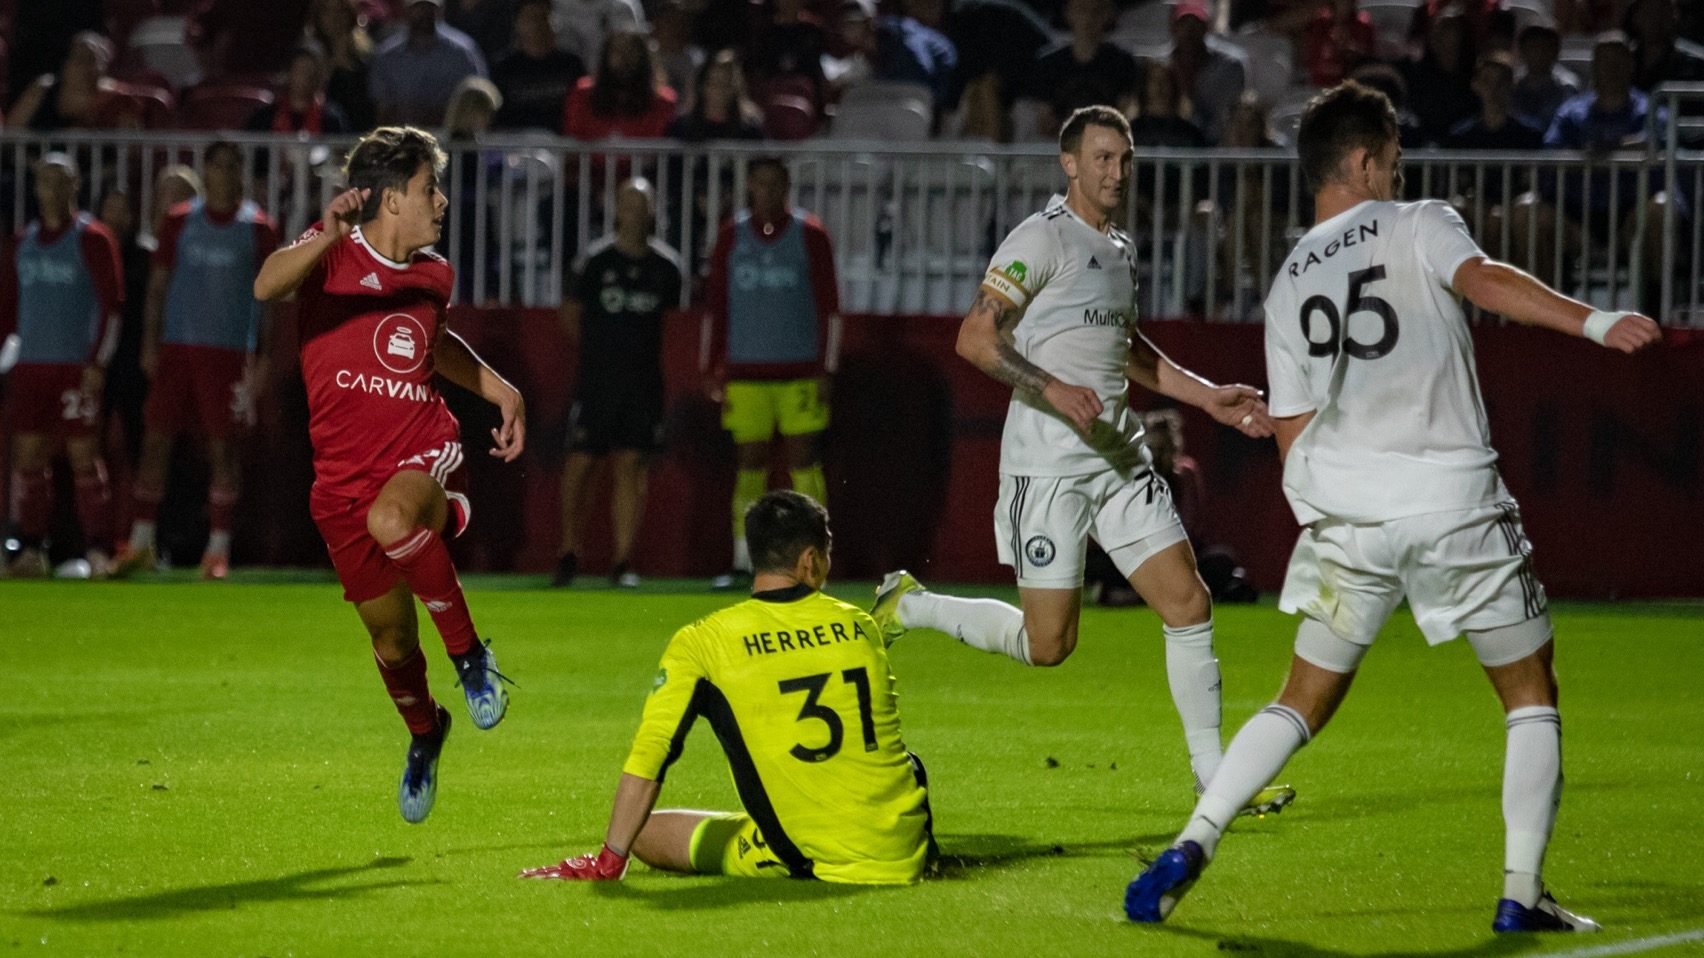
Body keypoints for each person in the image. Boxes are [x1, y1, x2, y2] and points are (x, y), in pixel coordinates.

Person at [1124, 80, 1663, 932]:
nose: (1400, 176)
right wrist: (1593, 322)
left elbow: (1292, 432)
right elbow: (1483, 280)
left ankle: (1195, 838)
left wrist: (1329, 522)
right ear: (1368, 161)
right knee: (1529, 692)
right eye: (1396, 161)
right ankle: (1521, 893)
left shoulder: (1286, 283)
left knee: (1299, 698)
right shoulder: (1420, 223)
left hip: (1349, 518)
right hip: (1454, 503)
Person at [872, 106, 1290, 813]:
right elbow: (975, 338)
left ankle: (1212, 775)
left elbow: (1128, 352)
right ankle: (913, 606)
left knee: (1189, 602)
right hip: (1049, 465)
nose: (1115, 172)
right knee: (1049, 644)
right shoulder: (1041, 238)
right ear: (1069, 164)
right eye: (1101, 158)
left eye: (1124, 159)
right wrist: (1050, 387)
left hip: (1117, 456)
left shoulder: (1121, 249)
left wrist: (1206, 395)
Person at [252, 126, 525, 824]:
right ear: (390, 199)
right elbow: (266, 285)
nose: (440, 201)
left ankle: (470, 659)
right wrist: (326, 232)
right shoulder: (330, 251)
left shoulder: (434, 272)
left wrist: (498, 388)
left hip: (418, 451)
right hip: (339, 480)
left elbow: (433, 346)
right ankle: (427, 733)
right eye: (429, 188)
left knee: (393, 519)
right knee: (392, 641)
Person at [520, 490, 934, 884]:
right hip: (905, 841)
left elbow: (653, 753)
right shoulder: (858, 624)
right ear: (810, 561)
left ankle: (787, 842)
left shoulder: (704, 641)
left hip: (820, 855)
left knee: (646, 833)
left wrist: (610, 859)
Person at [110, 142, 279, 581]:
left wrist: (262, 357)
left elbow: (273, 300)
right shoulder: (179, 220)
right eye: (216, 165)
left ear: (241, 172)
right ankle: (142, 542)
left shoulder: (258, 227)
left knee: (223, 448)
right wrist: (150, 341)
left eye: (231, 165)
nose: (223, 173)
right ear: (205, 172)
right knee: (156, 440)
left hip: (228, 353)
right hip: (177, 348)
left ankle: (217, 550)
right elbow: (159, 285)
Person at [701, 157, 841, 589]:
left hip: (799, 370)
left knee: (803, 461)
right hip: (745, 371)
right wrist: (711, 367)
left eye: (775, 183)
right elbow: (716, 306)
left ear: (787, 187)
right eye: (759, 183)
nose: (767, 192)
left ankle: (813, 559)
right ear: (749, 188)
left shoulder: (810, 235)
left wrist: (827, 368)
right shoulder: (731, 237)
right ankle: (745, 560)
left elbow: (829, 307)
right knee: (750, 465)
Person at [552, 179, 683, 589]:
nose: (633, 213)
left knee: (632, 464)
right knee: (582, 462)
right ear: (616, 210)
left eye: (640, 205)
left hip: (643, 383)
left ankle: (622, 559)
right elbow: (570, 314)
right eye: (626, 204)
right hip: (597, 381)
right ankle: (570, 549)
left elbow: (674, 325)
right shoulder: (594, 261)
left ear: (652, 211)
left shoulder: (667, 267)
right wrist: (601, 352)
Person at [0, 154, 123, 577]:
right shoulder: (23, 242)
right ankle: (33, 548)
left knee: (83, 456)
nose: (50, 189)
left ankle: (97, 551)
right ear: (35, 189)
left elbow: (112, 308)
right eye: (44, 182)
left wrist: (97, 362)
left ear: (74, 187)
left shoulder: (93, 238)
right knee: (29, 457)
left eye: (60, 181)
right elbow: (9, 309)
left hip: (75, 365)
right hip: (32, 365)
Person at [369, 0, 489, 128]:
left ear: (441, 10)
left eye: (429, 8)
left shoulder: (463, 52)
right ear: (407, 10)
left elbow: (479, 100)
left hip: (452, 142)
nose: (424, 14)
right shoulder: (388, 56)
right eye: (418, 8)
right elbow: (381, 107)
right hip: (403, 140)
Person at [561, 29, 677, 141]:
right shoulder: (582, 95)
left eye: (631, 51)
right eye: (617, 51)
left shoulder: (663, 101)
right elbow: (572, 139)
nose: (624, 58)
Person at [490, 0, 586, 132]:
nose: (537, 25)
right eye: (530, 18)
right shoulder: (502, 68)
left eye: (543, 17)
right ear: (518, 23)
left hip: (562, 145)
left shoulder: (571, 64)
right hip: (514, 145)